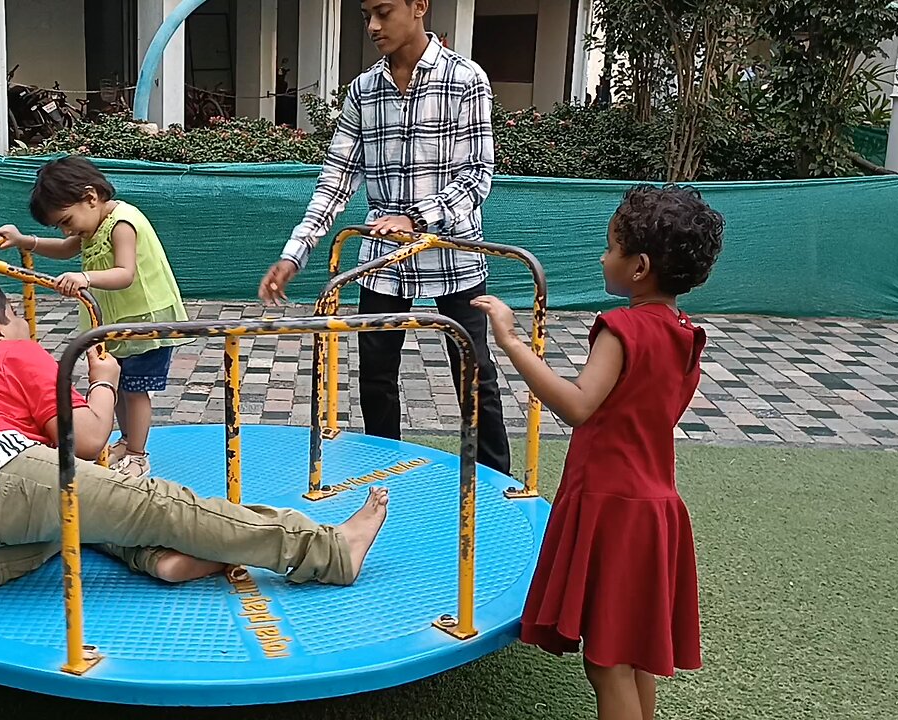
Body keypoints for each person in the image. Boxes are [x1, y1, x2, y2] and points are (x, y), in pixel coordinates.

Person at [0, 283, 391, 589]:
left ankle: (161, 559)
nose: (26, 322)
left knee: (85, 513)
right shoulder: (12, 355)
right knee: (154, 504)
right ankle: (326, 551)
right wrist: (104, 382)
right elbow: (86, 438)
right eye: (18, 315)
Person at [473, 184, 724, 720]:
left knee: (605, 663)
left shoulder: (622, 328)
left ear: (640, 268)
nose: (602, 256)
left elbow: (579, 405)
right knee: (634, 656)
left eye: (611, 247)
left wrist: (512, 343)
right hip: (656, 507)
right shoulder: (683, 333)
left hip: (613, 506)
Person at [257, 0, 513, 477]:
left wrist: (418, 218)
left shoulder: (465, 79)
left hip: (452, 254)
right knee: (375, 378)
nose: (373, 26)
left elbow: (477, 176)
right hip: (382, 262)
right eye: (365, 15)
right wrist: (296, 254)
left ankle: (498, 482)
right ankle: (384, 481)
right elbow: (336, 179)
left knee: (474, 375)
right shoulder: (364, 90)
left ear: (419, 7)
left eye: (383, 11)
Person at [0, 155, 188, 481]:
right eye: (61, 225)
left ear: (90, 197)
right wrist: (24, 241)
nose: (68, 229)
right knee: (114, 384)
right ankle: (127, 442)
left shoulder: (123, 223)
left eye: (67, 220)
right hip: (113, 321)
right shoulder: (92, 222)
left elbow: (125, 273)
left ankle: (139, 455)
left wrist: (87, 279)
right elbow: (66, 248)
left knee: (136, 389)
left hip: (143, 321)